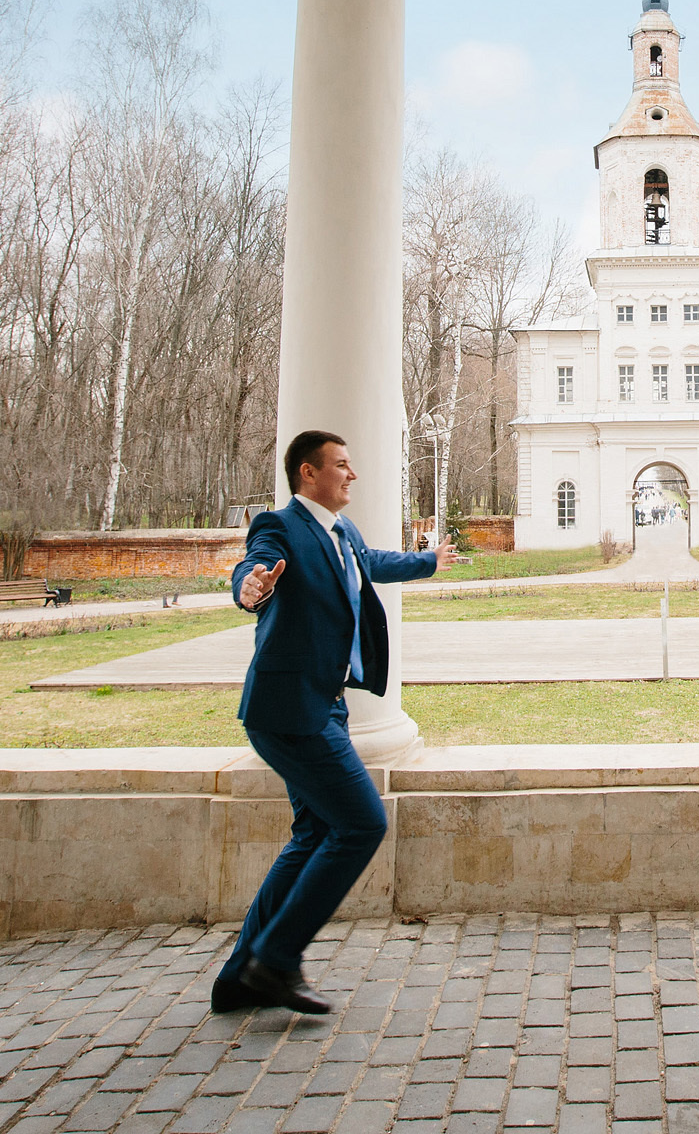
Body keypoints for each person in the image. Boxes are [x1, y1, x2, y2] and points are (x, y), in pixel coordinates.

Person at [212, 429, 437, 1015]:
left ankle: (238, 980)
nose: (351, 474)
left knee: (313, 834)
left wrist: (430, 561)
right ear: (308, 473)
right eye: (341, 464)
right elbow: (252, 569)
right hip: (289, 710)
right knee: (361, 824)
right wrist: (251, 589)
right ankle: (276, 961)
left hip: (324, 706)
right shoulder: (279, 526)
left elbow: (372, 564)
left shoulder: (343, 532)